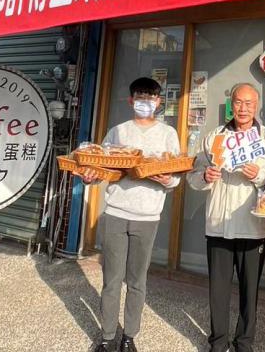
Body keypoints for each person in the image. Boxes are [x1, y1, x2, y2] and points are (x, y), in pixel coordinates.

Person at [82, 77, 181, 352]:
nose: (145, 101)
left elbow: (176, 176)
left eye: (151, 97)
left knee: (137, 280)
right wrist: (90, 176)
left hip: (148, 216)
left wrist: (167, 180)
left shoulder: (168, 134)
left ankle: (129, 336)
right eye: (140, 96)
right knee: (111, 279)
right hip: (116, 212)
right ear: (130, 100)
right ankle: (107, 336)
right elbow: (101, 166)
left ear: (159, 102)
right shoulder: (118, 131)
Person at [187, 83, 265, 352]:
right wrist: (205, 176)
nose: (243, 108)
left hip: (253, 226)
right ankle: (218, 342)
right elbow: (193, 176)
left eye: (249, 103)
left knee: (250, 290)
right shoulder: (214, 137)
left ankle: (244, 342)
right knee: (218, 289)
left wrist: (259, 176)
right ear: (231, 105)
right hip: (218, 225)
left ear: (256, 105)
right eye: (238, 102)